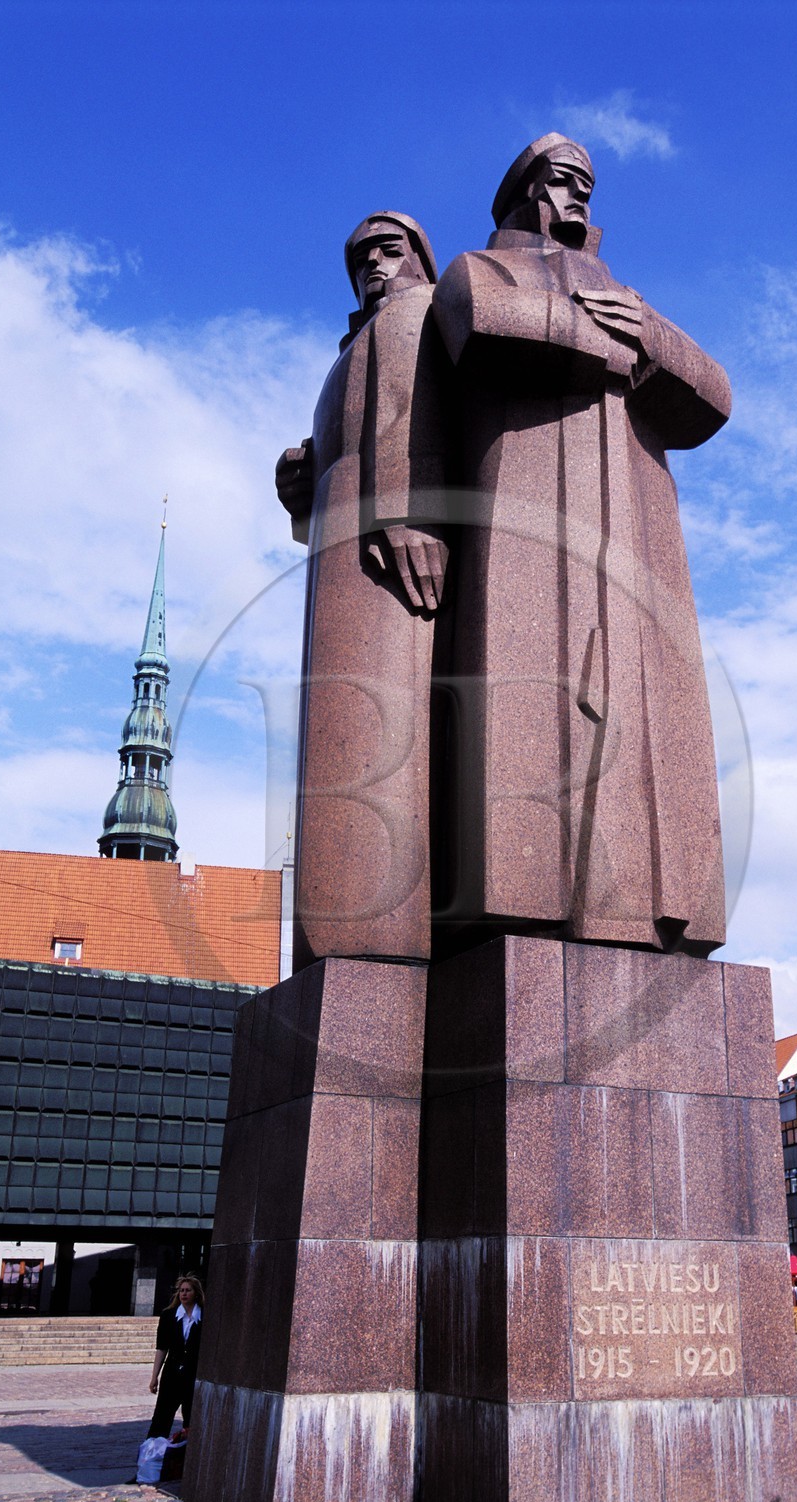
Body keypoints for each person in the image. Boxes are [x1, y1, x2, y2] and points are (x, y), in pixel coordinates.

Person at [430, 133, 731, 953]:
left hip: (631, 530)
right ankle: (528, 902)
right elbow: (484, 320)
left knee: (638, 712)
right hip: (528, 527)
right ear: (527, 193)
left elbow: (715, 394)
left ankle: (645, 908)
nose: (579, 203)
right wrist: (611, 346)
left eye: (588, 190)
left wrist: (649, 337)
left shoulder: (625, 294)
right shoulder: (477, 268)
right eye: (565, 184)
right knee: (531, 697)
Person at [276, 212, 452, 968]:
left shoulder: (421, 314)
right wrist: (301, 487)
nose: (373, 266)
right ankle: (347, 934)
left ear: (418, 255)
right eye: (360, 259)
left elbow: (428, 423)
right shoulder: (350, 350)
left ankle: (379, 933)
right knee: (343, 734)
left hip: (388, 545)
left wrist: (408, 513)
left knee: (384, 726)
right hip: (341, 543)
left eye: (389, 249)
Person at [147, 1273, 204, 1438]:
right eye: (181, 1290)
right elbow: (162, 1348)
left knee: (191, 1417)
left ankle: (186, 1455)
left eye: (188, 1290)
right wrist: (154, 1377)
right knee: (161, 1417)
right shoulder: (168, 1315)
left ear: (196, 1293)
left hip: (194, 1373)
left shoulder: (205, 1316)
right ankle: (153, 1454)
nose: (184, 1294)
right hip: (172, 1373)